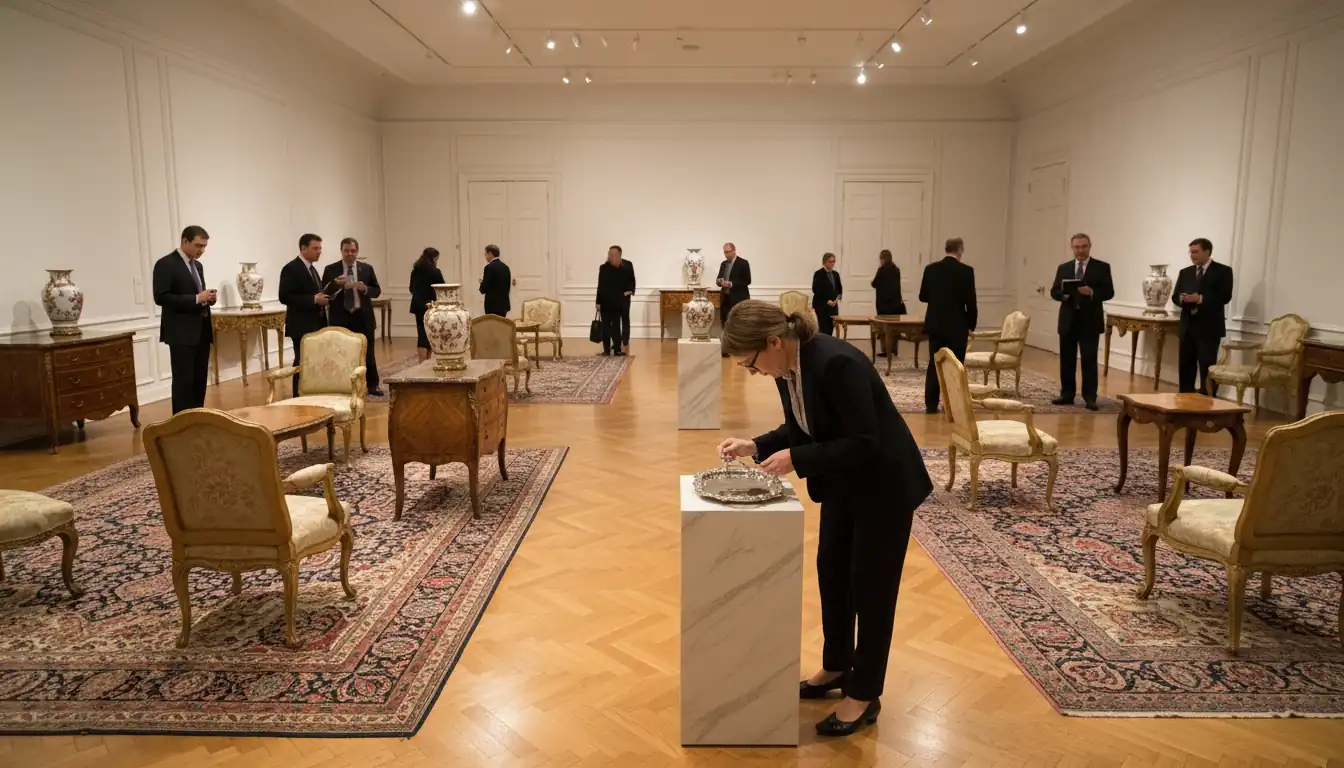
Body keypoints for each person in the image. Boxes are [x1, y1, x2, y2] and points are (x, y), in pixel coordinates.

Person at [716, 300, 932, 738]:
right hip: (843, 482)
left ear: (773, 342)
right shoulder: (788, 368)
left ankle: (864, 693)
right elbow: (803, 426)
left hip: (883, 486)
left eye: (750, 364)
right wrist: (755, 445)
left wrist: (797, 459)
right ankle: (836, 666)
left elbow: (864, 441)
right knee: (833, 574)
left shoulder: (837, 364)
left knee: (871, 589)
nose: (753, 373)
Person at [153, 225, 216, 414]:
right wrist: (196, 299)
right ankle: (181, 423)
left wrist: (208, 299)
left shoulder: (198, 266)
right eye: (198, 245)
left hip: (202, 331)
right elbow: (161, 297)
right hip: (181, 333)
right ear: (185, 241)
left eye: (204, 246)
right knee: (183, 382)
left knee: (199, 380)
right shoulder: (165, 264)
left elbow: (198, 294)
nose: (201, 250)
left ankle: (197, 418)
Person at [1050, 233, 1115, 410]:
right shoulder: (1064, 268)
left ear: (1089, 246)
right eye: (1077, 247)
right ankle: (1067, 394)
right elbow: (1054, 291)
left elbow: (1109, 292)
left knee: (1089, 360)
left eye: (1084, 246)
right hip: (1068, 320)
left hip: (1090, 321)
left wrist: (1091, 292)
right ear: (1072, 248)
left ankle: (1090, 397)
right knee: (1067, 360)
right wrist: (1064, 294)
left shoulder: (1101, 267)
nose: (1080, 250)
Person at [919, 238, 978, 414]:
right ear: (960, 250)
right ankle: (952, 403)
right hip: (957, 325)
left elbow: (923, 296)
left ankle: (931, 404)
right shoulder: (966, 271)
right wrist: (971, 324)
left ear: (946, 249)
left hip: (936, 324)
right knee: (956, 365)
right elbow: (971, 302)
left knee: (934, 363)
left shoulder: (930, 269)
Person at [321, 237, 383, 396]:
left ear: (357, 251)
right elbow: (325, 293)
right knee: (341, 354)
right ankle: (342, 386)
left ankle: (373, 385)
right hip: (340, 318)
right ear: (341, 251)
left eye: (353, 251)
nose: (350, 254)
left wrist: (365, 288)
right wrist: (336, 284)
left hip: (363, 317)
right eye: (346, 251)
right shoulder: (331, 269)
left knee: (368, 353)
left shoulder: (367, 269)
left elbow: (377, 291)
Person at [1172, 238, 1233, 395]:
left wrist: (1200, 299)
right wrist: (1181, 299)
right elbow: (1175, 296)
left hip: (1209, 328)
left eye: (1195, 252)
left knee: (1207, 366)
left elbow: (1225, 296)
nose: (1192, 255)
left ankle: (1207, 401)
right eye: (1190, 252)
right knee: (1186, 366)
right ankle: (1185, 399)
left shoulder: (1223, 271)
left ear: (1207, 252)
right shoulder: (1185, 272)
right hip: (1187, 326)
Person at [277, 233, 329, 396]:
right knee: (302, 363)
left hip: (316, 324)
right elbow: (284, 296)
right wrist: (313, 299)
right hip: (301, 325)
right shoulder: (291, 268)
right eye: (315, 248)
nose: (319, 252)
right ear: (303, 248)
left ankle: (313, 393)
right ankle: (298, 396)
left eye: (320, 248)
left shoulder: (312, 269)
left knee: (315, 362)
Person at [595, 245, 636, 356]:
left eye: (614, 254)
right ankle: (606, 349)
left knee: (616, 326)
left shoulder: (624, 268)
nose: (612, 256)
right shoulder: (603, 268)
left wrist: (628, 292)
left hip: (617, 302)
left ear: (619, 255)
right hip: (605, 302)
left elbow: (630, 282)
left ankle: (617, 349)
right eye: (610, 254)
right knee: (605, 327)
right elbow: (600, 286)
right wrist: (598, 302)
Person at [409, 247, 446, 362]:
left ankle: (421, 360)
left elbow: (411, 288)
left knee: (421, 333)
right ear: (433, 258)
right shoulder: (435, 272)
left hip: (417, 305)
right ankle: (426, 360)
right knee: (430, 334)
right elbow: (442, 288)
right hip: (430, 306)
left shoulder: (415, 271)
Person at [715, 242, 751, 355]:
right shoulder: (723, 264)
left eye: (728, 252)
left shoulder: (743, 263)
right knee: (725, 323)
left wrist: (731, 284)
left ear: (734, 251)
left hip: (739, 299)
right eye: (725, 252)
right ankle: (726, 349)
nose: (726, 255)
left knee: (738, 324)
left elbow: (747, 281)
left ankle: (739, 349)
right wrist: (719, 281)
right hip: (725, 298)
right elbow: (719, 278)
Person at [871, 249, 906, 357]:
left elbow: (874, 284)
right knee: (894, 327)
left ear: (883, 259)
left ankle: (886, 350)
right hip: (895, 304)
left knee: (883, 328)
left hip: (883, 304)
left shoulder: (881, 270)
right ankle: (894, 349)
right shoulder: (896, 270)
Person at [811, 252, 843, 336]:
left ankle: (829, 342)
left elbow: (839, 288)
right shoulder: (818, 274)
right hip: (821, 305)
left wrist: (837, 298)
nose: (832, 263)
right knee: (822, 328)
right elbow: (816, 289)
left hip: (833, 306)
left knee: (830, 328)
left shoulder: (836, 274)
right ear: (824, 262)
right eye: (830, 261)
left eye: (834, 261)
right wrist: (826, 300)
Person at [480, 244, 511, 317]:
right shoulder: (505, 267)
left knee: (492, 323)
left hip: (492, 305)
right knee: (502, 322)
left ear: (490, 254)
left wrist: (482, 284)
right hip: (503, 303)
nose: (485, 257)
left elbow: (484, 288)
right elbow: (507, 285)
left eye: (486, 254)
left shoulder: (489, 267)